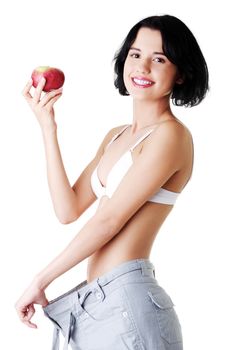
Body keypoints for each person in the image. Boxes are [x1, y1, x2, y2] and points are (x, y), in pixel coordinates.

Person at [15, 14, 209, 350]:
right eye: (135, 55)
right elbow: (68, 208)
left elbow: (109, 220)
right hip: (98, 303)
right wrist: (48, 126)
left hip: (130, 303)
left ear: (181, 73)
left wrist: (41, 280)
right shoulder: (116, 136)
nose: (142, 67)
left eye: (159, 59)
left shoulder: (172, 136)